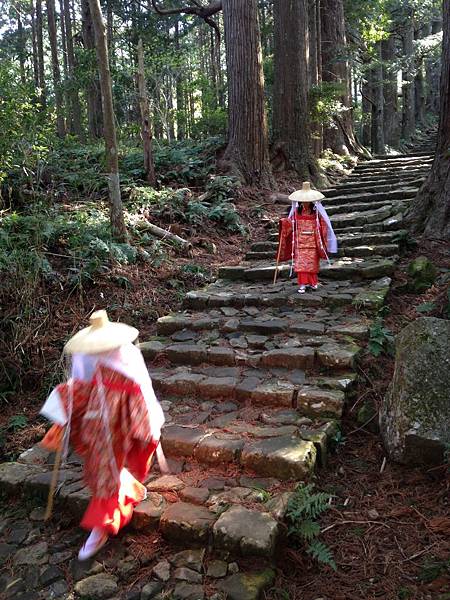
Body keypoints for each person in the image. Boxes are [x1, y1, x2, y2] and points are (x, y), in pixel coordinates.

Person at [39, 310, 165, 560]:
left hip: (126, 416)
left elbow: (141, 386)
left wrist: (145, 420)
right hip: (97, 421)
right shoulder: (84, 354)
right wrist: (64, 406)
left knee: (114, 468)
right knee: (102, 471)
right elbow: (78, 387)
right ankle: (116, 505)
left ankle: (105, 521)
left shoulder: (127, 352)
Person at [276, 182, 338, 293]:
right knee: (301, 264)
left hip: (312, 241)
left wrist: (319, 230)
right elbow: (291, 224)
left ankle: (313, 282)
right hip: (300, 242)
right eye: (303, 201)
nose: (305, 203)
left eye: (307, 201)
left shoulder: (316, 212)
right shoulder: (296, 212)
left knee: (312, 263)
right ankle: (302, 284)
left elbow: (323, 224)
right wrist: (284, 222)